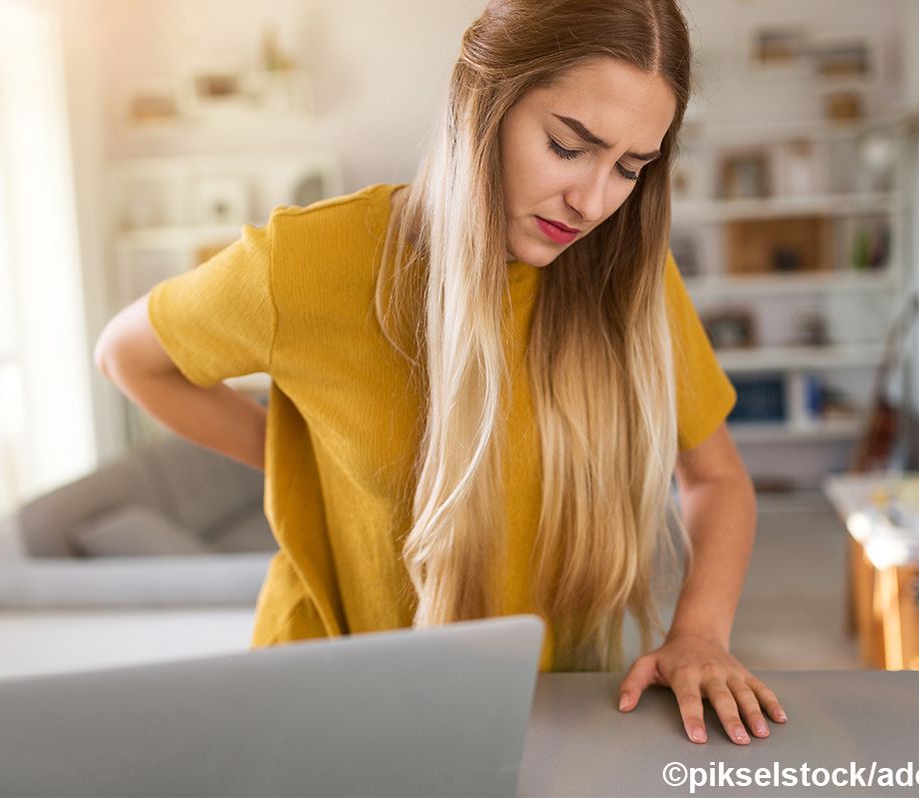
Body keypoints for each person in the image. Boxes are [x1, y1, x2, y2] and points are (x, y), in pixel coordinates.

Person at [95, 0, 787, 746]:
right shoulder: (305, 263)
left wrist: (700, 634)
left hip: (541, 714)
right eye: (566, 146)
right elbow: (128, 356)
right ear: (480, 101)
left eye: (628, 167)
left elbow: (717, 478)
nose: (592, 202)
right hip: (324, 702)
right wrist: (294, 460)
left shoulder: (628, 281)